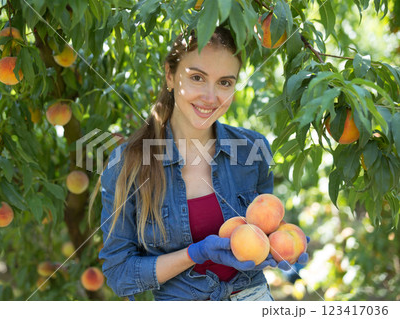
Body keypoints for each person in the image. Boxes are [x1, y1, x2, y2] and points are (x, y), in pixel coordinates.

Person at [96, 26, 307, 301]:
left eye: (225, 83)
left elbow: (263, 229)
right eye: (197, 77)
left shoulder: (252, 150)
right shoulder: (128, 164)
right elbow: (120, 274)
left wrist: (279, 246)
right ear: (170, 76)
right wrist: (195, 253)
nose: (211, 97)